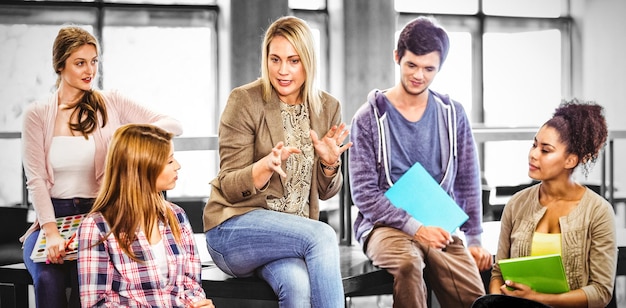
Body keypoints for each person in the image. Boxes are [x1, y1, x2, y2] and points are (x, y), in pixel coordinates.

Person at [20, 26, 183, 308]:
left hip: (99, 217)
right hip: (52, 219)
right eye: (80, 62)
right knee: (48, 279)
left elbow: (172, 125)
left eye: (94, 61)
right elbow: (35, 180)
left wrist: (128, 139)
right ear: (60, 65)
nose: (89, 70)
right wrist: (51, 233)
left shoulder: (111, 102)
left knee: (89, 281)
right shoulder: (37, 114)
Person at [202, 16, 351, 308]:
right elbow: (229, 185)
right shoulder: (245, 100)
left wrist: (329, 165)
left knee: (297, 287)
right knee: (322, 234)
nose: (283, 71)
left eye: (293, 61)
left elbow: (325, 192)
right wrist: (261, 169)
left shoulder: (327, 107)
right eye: (275, 59)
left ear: (308, 62)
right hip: (233, 230)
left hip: (292, 237)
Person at [348, 16, 492, 307]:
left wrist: (474, 237)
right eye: (411, 65)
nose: (419, 76)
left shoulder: (453, 115)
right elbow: (364, 194)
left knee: (474, 293)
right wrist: (415, 227)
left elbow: (467, 178)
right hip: (384, 226)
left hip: (438, 223)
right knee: (409, 265)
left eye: (429, 69)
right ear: (397, 57)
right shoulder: (368, 118)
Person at [487, 100, 615, 308]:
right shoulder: (517, 204)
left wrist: (537, 299)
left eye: (545, 150)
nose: (533, 154)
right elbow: (498, 273)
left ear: (570, 160)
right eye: (534, 144)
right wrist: (497, 302)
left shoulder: (598, 211)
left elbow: (600, 292)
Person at [76, 124, 213, 307]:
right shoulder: (96, 227)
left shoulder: (177, 216)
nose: (178, 166)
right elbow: (97, 303)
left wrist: (197, 303)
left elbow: (191, 285)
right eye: (169, 161)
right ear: (143, 167)